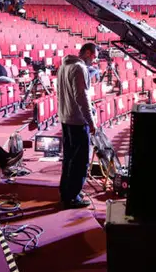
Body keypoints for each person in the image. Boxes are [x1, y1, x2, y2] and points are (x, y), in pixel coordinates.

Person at [57, 43, 98, 209]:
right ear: (87, 53)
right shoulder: (79, 68)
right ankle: (72, 196)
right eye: (93, 56)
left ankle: (66, 192)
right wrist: (91, 121)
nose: (93, 61)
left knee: (68, 158)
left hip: (65, 118)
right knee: (80, 161)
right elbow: (82, 98)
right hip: (77, 120)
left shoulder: (63, 66)